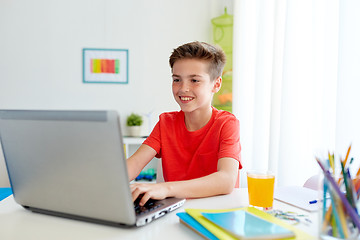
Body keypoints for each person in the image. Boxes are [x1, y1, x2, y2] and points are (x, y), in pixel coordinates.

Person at [127, 41, 241, 206]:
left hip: (217, 214)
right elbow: (134, 164)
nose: (183, 88)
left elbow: (226, 180)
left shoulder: (227, 124)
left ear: (216, 84)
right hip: (175, 215)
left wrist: (166, 188)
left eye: (194, 80)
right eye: (177, 79)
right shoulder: (166, 123)